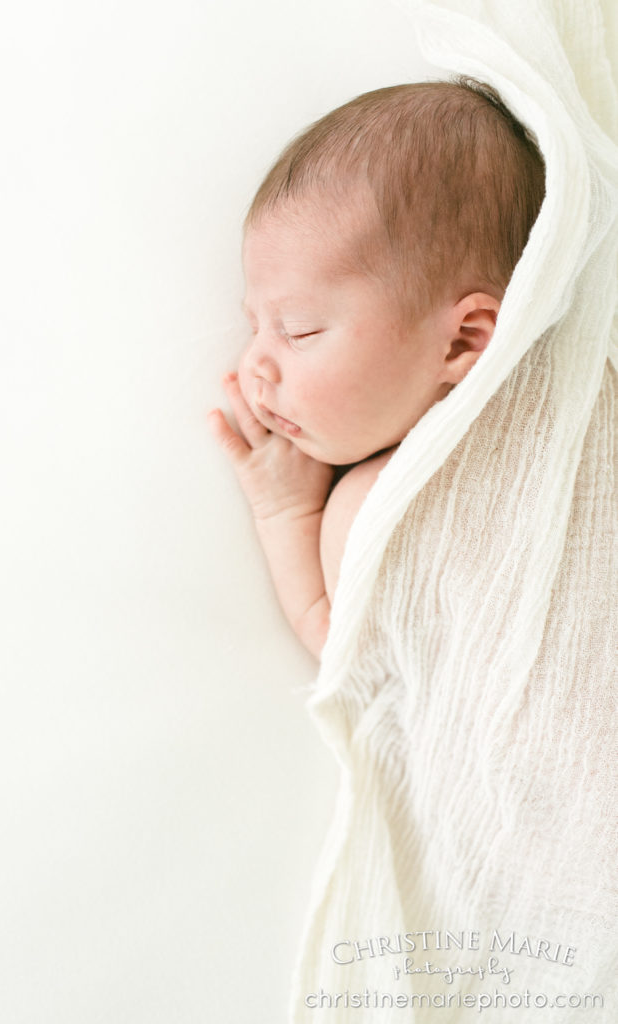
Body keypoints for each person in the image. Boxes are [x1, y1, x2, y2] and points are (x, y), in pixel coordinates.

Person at [208, 78, 545, 659]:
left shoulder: (370, 506)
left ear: (463, 341)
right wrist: (289, 508)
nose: (255, 363)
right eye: (255, 325)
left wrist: (292, 513)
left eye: (299, 331)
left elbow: (344, 661)